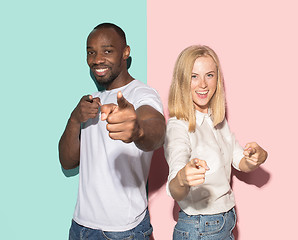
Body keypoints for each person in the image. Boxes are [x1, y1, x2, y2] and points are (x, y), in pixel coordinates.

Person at [58, 23, 165, 240]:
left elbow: (157, 127)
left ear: (125, 52)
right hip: (80, 227)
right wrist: (74, 118)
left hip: (122, 231)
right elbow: (67, 162)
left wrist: (138, 130)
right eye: (91, 52)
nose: (97, 59)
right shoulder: (90, 101)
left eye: (107, 51)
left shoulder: (141, 93)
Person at [165, 45, 268, 239]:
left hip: (224, 220)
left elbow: (239, 160)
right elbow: (174, 184)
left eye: (209, 75)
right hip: (201, 227)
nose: (203, 84)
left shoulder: (217, 120)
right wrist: (182, 178)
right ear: (182, 81)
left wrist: (256, 158)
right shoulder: (178, 126)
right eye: (194, 76)